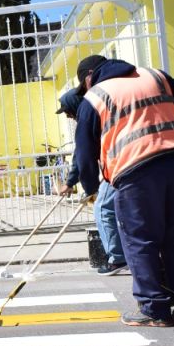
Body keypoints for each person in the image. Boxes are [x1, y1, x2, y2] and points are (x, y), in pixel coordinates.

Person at [73, 54, 174, 327]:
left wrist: (90, 187)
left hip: (136, 173)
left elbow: (84, 154)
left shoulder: (95, 97)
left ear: (88, 78)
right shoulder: (155, 76)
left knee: (140, 240)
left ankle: (154, 308)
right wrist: (160, 130)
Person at [55, 88, 126, 276]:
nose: (69, 116)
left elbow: (82, 157)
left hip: (120, 167)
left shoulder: (87, 118)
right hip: (127, 164)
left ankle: (118, 258)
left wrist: (89, 188)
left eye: (68, 111)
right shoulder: (103, 112)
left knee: (102, 208)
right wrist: (72, 182)